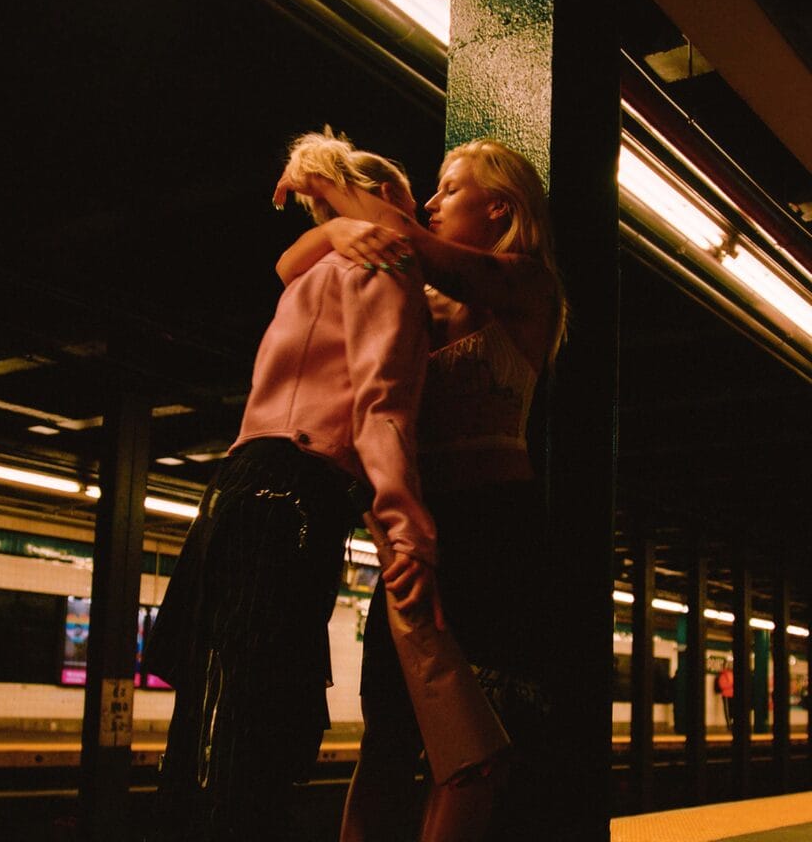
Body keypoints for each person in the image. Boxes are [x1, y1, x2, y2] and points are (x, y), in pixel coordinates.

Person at [145, 129, 439, 842]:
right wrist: (408, 527)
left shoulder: (315, 268)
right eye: (409, 193)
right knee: (259, 728)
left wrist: (329, 216)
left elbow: (290, 261)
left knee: (218, 721)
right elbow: (380, 409)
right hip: (292, 495)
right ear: (379, 201)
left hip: (244, 488)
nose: (425, 207)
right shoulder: (379, 266)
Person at [274, 137, 567, 842]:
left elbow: (405, 235)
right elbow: (290, 268)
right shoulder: (410, 291)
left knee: (472, 746)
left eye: (451, 188)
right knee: (388, 737)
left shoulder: (527, 286)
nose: (433, 202)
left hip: (496, 534)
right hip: (412, 534)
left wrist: (320, 171)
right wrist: (341, 226)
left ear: (499, 205)